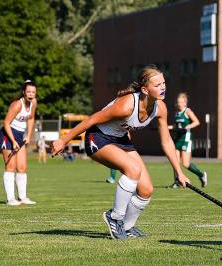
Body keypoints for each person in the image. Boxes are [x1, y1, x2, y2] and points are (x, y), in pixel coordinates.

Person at [51, 65, 189, 240]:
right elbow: (92, 119)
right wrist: (63, 140)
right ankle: (114, 217)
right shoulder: (126, 105)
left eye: (163, 83)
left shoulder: (160, 108)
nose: (162, 87)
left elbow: (167, 141)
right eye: (157, 85)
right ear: (145, 90)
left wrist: (179, 172)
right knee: (133, 169)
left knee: (146, 190)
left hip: (121, 140)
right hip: (98, 138)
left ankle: (127, 227)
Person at [0, 80, 37, 206]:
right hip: (7, 135)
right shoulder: (16, 105)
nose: (31, 94)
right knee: (11, 167)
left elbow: (31, 118)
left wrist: (28, 136)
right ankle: (10, 199)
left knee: (22, 167)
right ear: (24, 92)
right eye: (28, 91)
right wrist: (13, 141)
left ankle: (23, 198)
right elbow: (6, 123)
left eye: (33, 92)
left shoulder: (33, 103)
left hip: (20, 135)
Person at [168, 92, 208, 188]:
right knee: (175, 161)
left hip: (186, 139)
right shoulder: (177, 113)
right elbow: (176, 126)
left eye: (181, 102)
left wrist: (187, 127)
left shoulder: (188, 111)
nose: (179, 104)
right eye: (178, 102)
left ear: (185, 103)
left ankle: (201, 175)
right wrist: (164, 127)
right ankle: (177, 182)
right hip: (177, 138)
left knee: (185, 164)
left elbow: (196, 122)